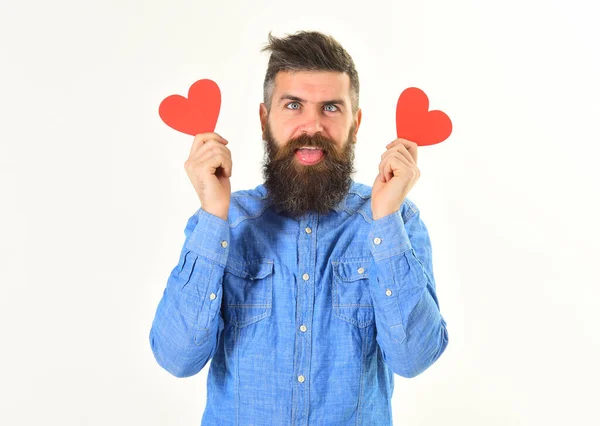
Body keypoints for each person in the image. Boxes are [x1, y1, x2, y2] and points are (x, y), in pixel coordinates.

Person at [149, 30, 449, 425]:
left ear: (355, 124)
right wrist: (213, 215)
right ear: (264, 118)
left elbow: (414, 359)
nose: (312, 125)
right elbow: (176, 358)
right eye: (293, 105)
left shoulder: (398, 221)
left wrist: (386, 221)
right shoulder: (224, 222)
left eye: (330, 108)